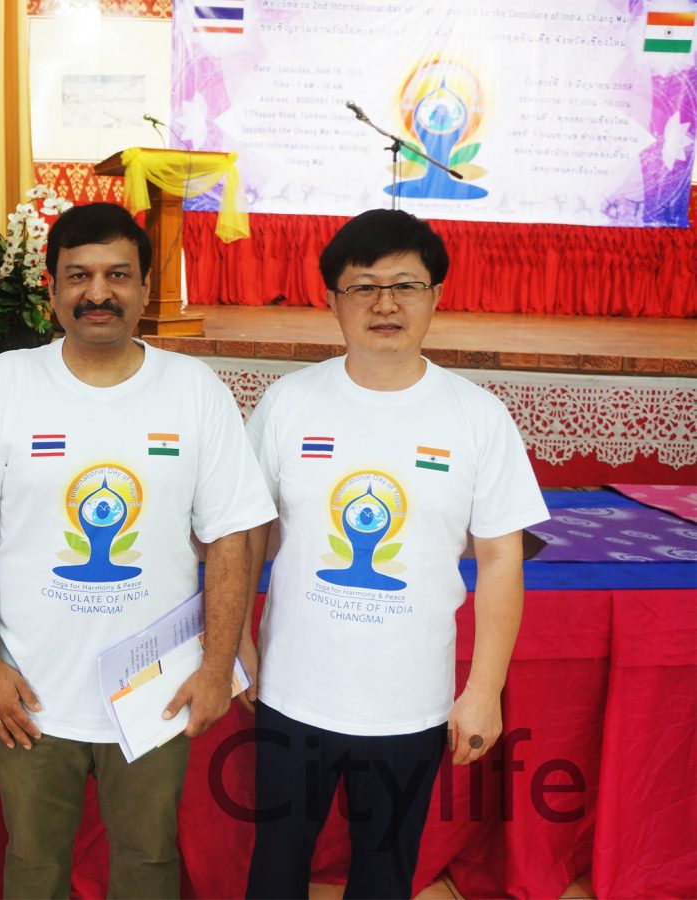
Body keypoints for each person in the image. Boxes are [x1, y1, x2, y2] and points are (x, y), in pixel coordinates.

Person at [0, 202, 276, 898]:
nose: (98, 293)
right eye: (79, 275)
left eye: (118, 274)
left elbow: (232, 538)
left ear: (146, 288)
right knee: (34, 867)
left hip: (155, 694)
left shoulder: (194, 391)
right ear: (50, 288)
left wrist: (215, 666)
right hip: (30, 694)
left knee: (148, 863)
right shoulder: (5, 384)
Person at [239, 208, 549, 898]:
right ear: (332, 300)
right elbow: (247, 534)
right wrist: (239, 642)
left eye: (406, 285)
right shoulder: (289, 403)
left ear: (436, 295)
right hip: (292, 692)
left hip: (411, 703)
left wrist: (483, 692)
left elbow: (502, 559)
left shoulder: (477, 417)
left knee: (385, 874)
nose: (386, 304)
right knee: (275, 867)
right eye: (364, 287)